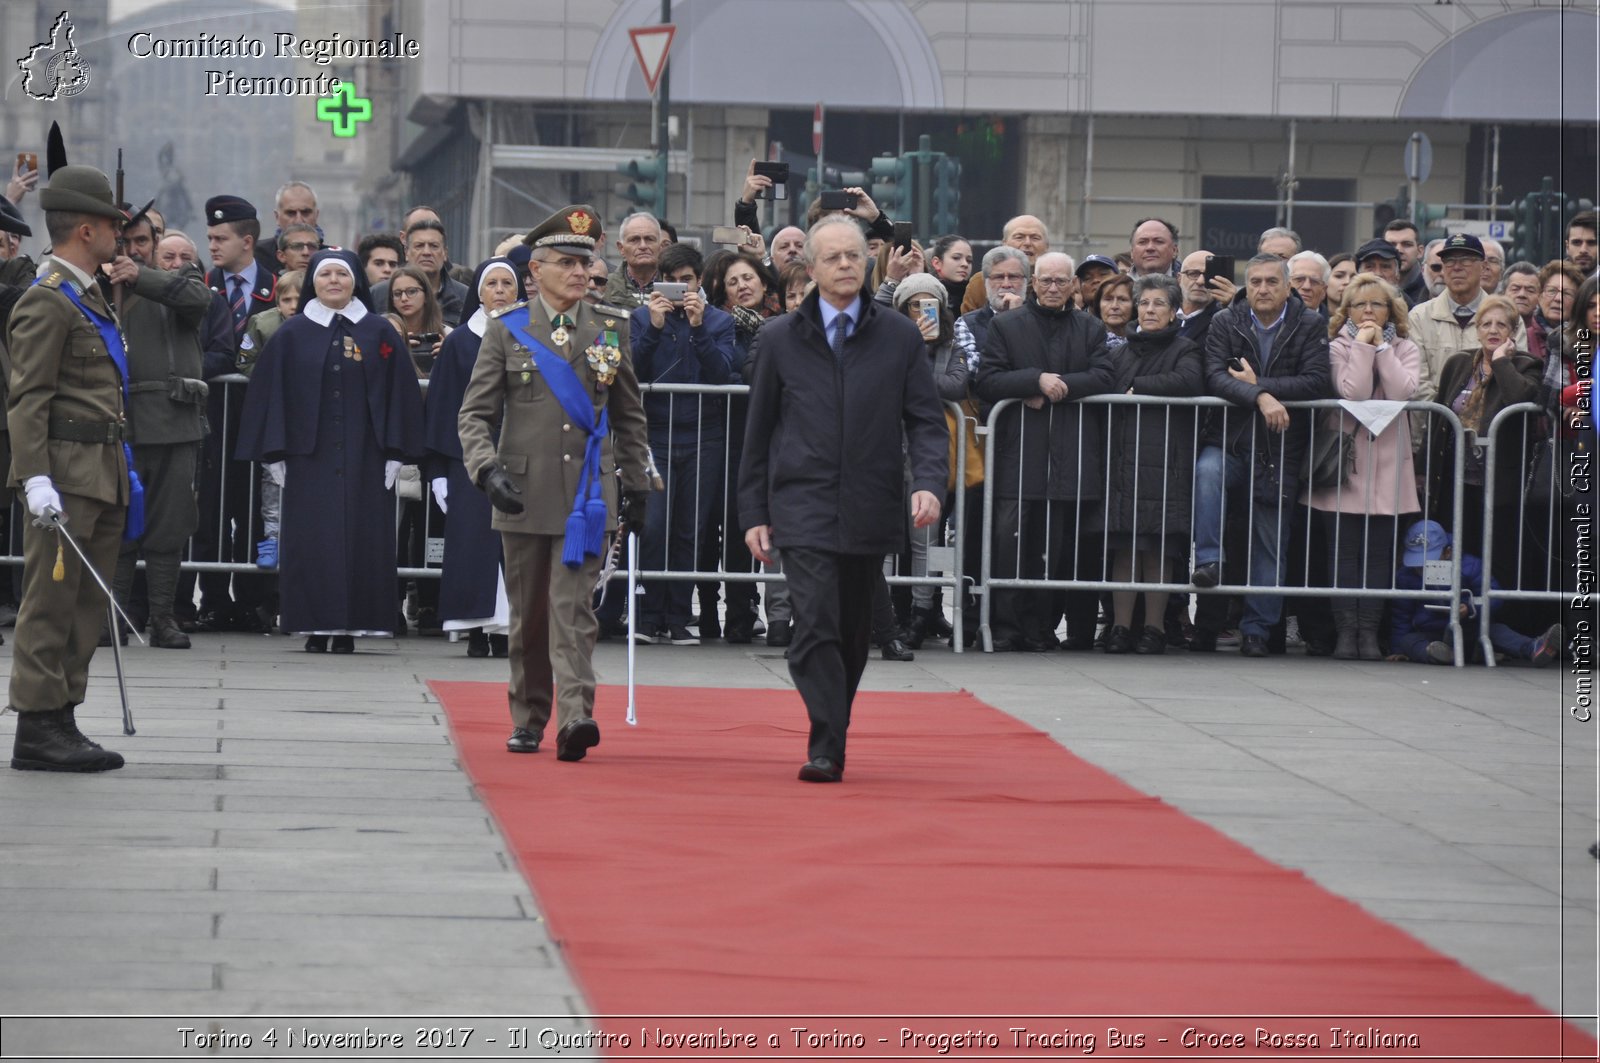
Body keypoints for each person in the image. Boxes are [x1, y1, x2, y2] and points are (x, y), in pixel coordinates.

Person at [740, 216, 947, 783]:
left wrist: (928, 480)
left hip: (870, 500)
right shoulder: (780, 338)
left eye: (854, 255)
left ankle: (834, 724)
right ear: (809, 269)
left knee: (854, 632)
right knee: (815, 622)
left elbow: (926, 421)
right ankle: (825, 744)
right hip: (800, 503)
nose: (845, 265)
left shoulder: (899, 337)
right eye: (832, 258)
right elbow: (757, 433)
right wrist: (753, 512)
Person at [458, 205, 653, 762]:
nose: (579, 272)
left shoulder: (610, 327)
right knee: (529, 619)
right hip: (520, 492)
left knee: (573, 611)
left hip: (588, 496)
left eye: (585, 262)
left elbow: (629, 413)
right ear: (535, 270)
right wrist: (485, 469)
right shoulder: (507, 330)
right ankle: (528, 716)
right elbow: (474, 414)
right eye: (566, 262)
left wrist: (637, 484)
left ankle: (576, 717)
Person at [5, 164, 133, 771]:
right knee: (50, 603)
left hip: (101, 468)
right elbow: (28, 398)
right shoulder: (47, 300)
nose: (119, 234)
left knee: (85, 605)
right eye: (112, 224)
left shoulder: (88, 294)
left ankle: (63, 717)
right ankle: (36, 725)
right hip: (65, 473)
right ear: (86, 229)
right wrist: (34, 478)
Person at [236, 250, 426, 653]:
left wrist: (397, 451)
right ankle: (314, 623)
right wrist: (274, 453)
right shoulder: (292, 333)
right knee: (312, 541)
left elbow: (400, 389)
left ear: (355, 280)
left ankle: (353, 626)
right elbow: (271, 393)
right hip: (310, 455)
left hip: (366, 454)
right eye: (326, 275)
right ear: (313, 283)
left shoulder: (379, 332)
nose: (334, 281)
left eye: (342, 273)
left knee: (364, 538)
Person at [974, 251, 1118, 652]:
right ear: (1033, 283)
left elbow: (1105, 375)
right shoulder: (1005, 325)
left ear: (1073, 285)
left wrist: (1059, 387)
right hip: (1019, 454)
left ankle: (1039, 629)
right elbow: (987, 380)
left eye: (1061, 281)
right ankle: (1004, 627)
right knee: (1009, 543)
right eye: (1045, 281)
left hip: (1069, 455)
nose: (1053, 288)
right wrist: (1033, 381)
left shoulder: (1089, 327)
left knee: (1053, 548)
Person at [1191, 253, 1332, 658]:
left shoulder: (1310, 323)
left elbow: (1316, 381)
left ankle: (1258, 630)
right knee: (1207, 471)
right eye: (1255, 282)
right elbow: (1214, 376)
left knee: (1271, 543)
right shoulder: (1225, 320)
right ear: (1245, 285)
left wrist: (1261, 385)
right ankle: (1210, 560)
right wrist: (1262, 396)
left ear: (1288, 287)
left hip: (1282, 447)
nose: (1263, 289)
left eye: (1272, 281)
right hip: (1232, 440)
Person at [107, 211, 213, 651]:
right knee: (120, 527)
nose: (134, 250)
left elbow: (198, 301)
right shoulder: (99, 284)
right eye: (125, 242)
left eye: (141, 242)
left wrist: (140, 277)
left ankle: (164, 618)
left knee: (169, 528)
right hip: (122, 423)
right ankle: (112, 616)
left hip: (174, 421)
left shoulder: (173, 282)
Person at [1303, 273, 1421, 660]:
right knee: (1344, 553)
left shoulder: (1405, 347)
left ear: (1391, 311)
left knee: (1379, 555)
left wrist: (1382, 348)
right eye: (1360, 304)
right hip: (1346, 465)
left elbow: (1403, 391)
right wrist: (1361, 346)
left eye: (1377, 304)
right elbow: (1352, 390)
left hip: (1389, 465)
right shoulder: (1335, 346)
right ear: (1346, 310)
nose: (1369, 311)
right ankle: (1346, 632)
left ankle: (1369, 633)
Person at [630, 242, 737, 646]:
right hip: (655, 435)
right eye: (670, 283)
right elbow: (631, 371)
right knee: (653, 525)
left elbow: (722, 374)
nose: (678, 290)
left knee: (690, 529)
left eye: (686, 282)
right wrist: (655, 329)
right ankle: (646, 613)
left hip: (703, 436)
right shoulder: (642, 318)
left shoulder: (718, 322)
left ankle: (678, 615)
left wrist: (697, 330)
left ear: (699, 282)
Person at [424, 258, 525, 659]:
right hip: (470, 459)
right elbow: (443, 407)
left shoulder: (533, 336)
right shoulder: (460, 342)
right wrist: (438, 472)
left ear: (519, 292)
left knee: (513, 546)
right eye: (492, 284)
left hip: (520, 455)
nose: (499, 291)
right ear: (478, 293)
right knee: (473, 546)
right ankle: (477, 629)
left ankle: (506, 631)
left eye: (507, 284)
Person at [1101, 275, 1204, 655]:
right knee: (1125, 546)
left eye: (1159, 303)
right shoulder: (1119, 350)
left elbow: (1189, 381)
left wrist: (1139, 389)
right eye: (1144, 303)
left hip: (1166, 461)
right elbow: (1107, 383)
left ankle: (1154, 628)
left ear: (1173, 309)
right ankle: (1119, 626)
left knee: (1158, 547)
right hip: (1124, 459)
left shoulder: (1185, 348)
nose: (1149, 310)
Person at [1422, 295, 1542, 592]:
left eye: (1501, 324)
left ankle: (1496, 628)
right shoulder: (1459, 363)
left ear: (1513, 332)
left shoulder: (1527, 366)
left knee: (1496, 559)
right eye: (1486, 323)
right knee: (1453, 552)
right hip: (1453, 480)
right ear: (1477, 329)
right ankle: (1451, 620)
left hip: (1498, 485)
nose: (1492, 329)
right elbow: (1438, 418)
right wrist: (1423, 469)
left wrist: (1501, 360)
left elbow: (1518, 397)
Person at [892, 273, 968, 648]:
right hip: (889, 451)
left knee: (927, 537)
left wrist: (918, 356)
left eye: (930, 304)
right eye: (914, 306)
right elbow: (883, 381)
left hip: (929, 455)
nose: (922, 312)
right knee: (890, 537)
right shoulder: (887, 345)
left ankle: (923, 612)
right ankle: (888, 612)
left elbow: (956, 385)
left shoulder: (953, 347)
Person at [1389, 519, 1561, 667]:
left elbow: (1493, 597)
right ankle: (1436, 655)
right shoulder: (1406, 576)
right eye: (1417, 563)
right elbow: (1401, 615)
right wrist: (1398, 649)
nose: (1422, 568)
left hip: (1469, 629)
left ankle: (1534, 647)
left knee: (1494, 631)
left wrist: (1470, 608)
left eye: (1427, 562)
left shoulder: (1470, 566)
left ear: (1447, 551)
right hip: (1432, 634)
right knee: (1409, 640)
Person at [384, 264, 450, 632]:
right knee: (395, 529)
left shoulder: (448, 336)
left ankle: (429, 603)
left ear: (427, 294)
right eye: (398, 293)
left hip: (435, 444)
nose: (405, 299)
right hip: (399, 446)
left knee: (433, 527)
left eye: (412, 291)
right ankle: (390, 601)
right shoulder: (384, 333)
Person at [1410, 235, 1526, 420]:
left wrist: (1477, 414)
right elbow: (1417, 381)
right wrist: (1448, 416)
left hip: (1489, 431)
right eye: (1449, 261)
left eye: (1465, 260)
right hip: (1432, 431)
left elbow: (1519, 371)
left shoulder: (1508, 316)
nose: (1456, 267)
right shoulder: (1419, 316)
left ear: (1484, 267)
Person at [959, 214, 1049, 314]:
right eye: (1019, 237)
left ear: (1047, 246)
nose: (1027, 243)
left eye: (1035, 238)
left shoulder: (1058, 283)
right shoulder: (980, 282)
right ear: (1004, 243)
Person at [602, 212, 664, 308]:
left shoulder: (674, 286)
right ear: (621, 248)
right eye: (634, 240)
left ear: (660, 247)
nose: (643, 246)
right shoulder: (603, 287)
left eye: (649, 239)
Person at [1383, 220, 1430, 306]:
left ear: (1420, 251)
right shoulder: (1375, 287)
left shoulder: (1431, 287)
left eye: (1407, 244)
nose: (1399, 250)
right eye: (1392, 245)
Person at [1089, 272, 1134, 348]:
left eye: (1122, 300)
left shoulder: (1144, 342)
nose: (1114, 306)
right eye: (1108, 299)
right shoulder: (1087, 341)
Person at [928, 235, 973, 308]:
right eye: (956, 258)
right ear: (936, 263)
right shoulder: (925, 293)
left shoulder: (978, 295)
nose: (965, 264)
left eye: (969, 260)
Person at [1288, 250, 1330, 317]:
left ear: (1324, 291)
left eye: (1314, 281)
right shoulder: (1270, 321)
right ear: (1286, 285)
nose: (1306, 287)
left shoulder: (1335, 326)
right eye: (1299, 279)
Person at [1567, 210, 1597, 275]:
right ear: (1567, 246)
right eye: (1576, 243)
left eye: (1591, 243)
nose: (1583, 250)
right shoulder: (1547, 280)